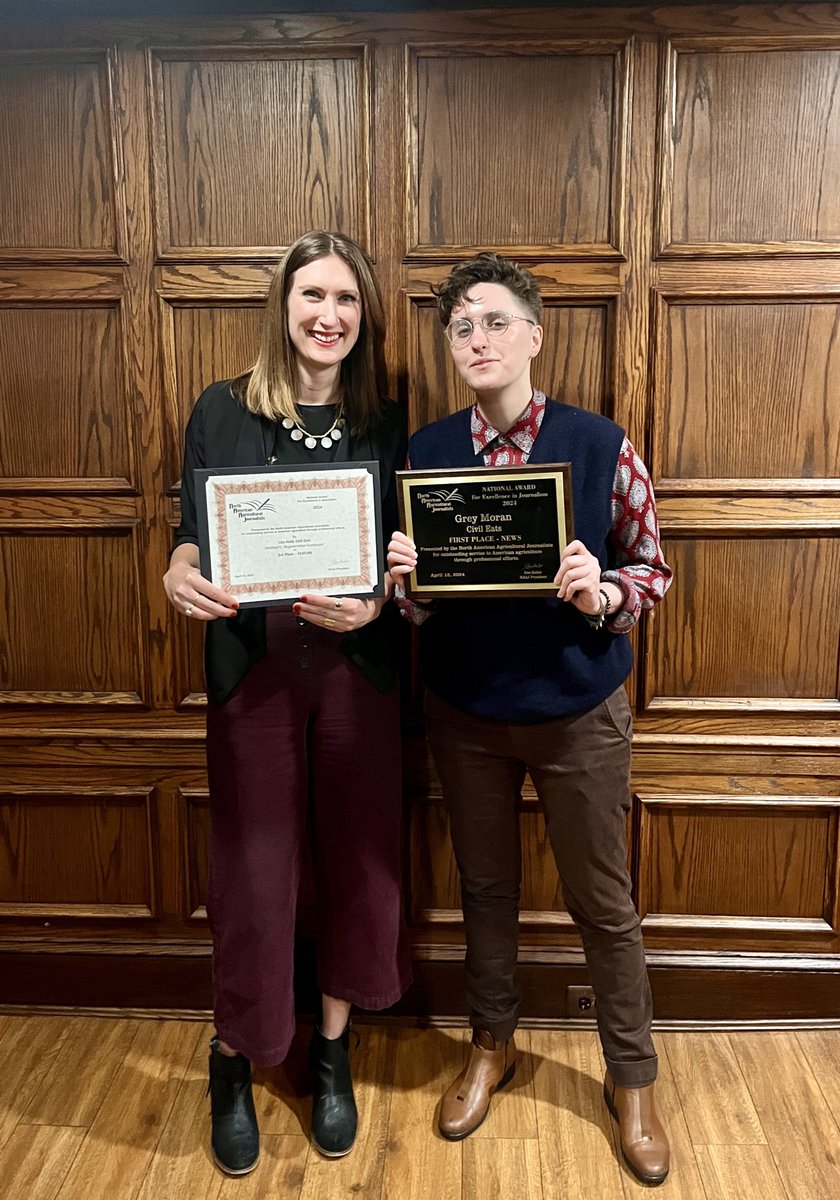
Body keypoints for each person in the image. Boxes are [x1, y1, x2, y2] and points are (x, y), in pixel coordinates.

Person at [388, 253, 672, 1186]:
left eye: (495, 322)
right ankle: (491, 1044)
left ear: (534, 336)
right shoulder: (428, 453)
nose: (477, 339)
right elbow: (425, 602)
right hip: (465, 711)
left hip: (578, 709)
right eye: (461, 326)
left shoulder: (597, 443)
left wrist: (601, 593)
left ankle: (631, 1080)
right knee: (485, 892)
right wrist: (407, 587)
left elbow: (654, 571)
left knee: (604, 901)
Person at [164, 231, 410, 1174]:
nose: (329, 316)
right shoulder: (221, 410)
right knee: (254, 873)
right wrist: (179, 573)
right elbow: (192, 535)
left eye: (347, 300)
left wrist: (382, 595)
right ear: (283, 304)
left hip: (360, 670)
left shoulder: (388, 423)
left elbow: (402, 557)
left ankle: (334, 1048)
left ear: (364, 317)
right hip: (252, 669)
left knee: (358, 861)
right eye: (314, 295)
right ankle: (237, 1056)